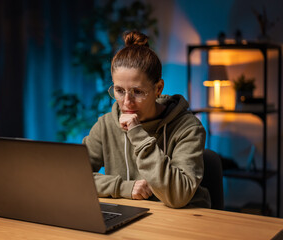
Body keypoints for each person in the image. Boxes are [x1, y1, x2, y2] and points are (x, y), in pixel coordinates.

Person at [82, 31, 210, 208]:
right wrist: (124, 187)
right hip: (130, 219)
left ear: (158, 88)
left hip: (183, 221)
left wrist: (138, 135)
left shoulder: (189, 128)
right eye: (119, 90)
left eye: (138, 92)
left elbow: (179, 194)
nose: (126, 102)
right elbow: (73, 176)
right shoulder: (106, 125)